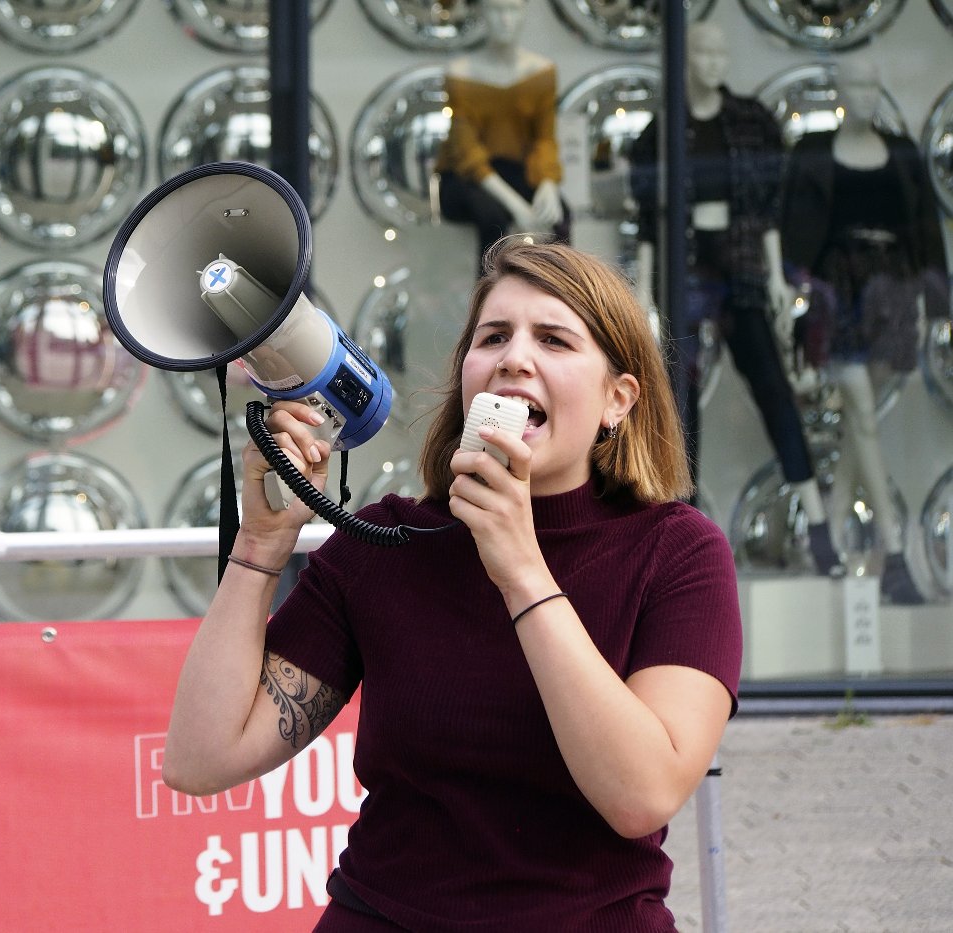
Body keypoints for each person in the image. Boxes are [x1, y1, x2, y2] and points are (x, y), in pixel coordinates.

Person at [163, 237, 742, 930]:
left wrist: (521, 569)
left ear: (618, 400)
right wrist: (259, 546)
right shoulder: (384, 546)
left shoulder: (676, 553)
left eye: (554, 340)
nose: (513, 358)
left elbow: (641, 794)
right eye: (493, 336)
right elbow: (200, 759)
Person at [629, 20, 843, 577]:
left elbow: (765, 211)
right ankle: (679, 527)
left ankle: (819, 525)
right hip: (686, 275)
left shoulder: (750, 123)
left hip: (743, 271)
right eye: (702, 50)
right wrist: (647, 300)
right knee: (682, 405)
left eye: (721, 50)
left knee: (773, 388)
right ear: (685, 58)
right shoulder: (662, 133)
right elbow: (650, 224)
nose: (713, 61)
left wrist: (775, 276)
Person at [779, 61, 951, 605]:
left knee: (862, 419)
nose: (866, 95)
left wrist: (937, 298)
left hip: (892, 295)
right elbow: (790, 223)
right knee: (862, 413)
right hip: (839, 292)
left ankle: (827, 537)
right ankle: (895, 551)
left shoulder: (901, 151)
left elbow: (926, 225)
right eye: (856, 85)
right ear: (839, 92)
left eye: (874, 85)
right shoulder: (812, 150)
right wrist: (791, 288)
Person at [434, 0, 569, 271]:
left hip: (515, 170)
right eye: (496, 10)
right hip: (465, 178)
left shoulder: (540, 72)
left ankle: (562, 297)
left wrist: (548, 183)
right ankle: (487, 305)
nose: (505, 20)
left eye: (512, 10)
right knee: (493, 217)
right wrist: (516, 205)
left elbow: (545, 137)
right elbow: (468, 152)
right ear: (483, 14)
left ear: (523, 14)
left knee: (560, 215)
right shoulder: (460, 74)